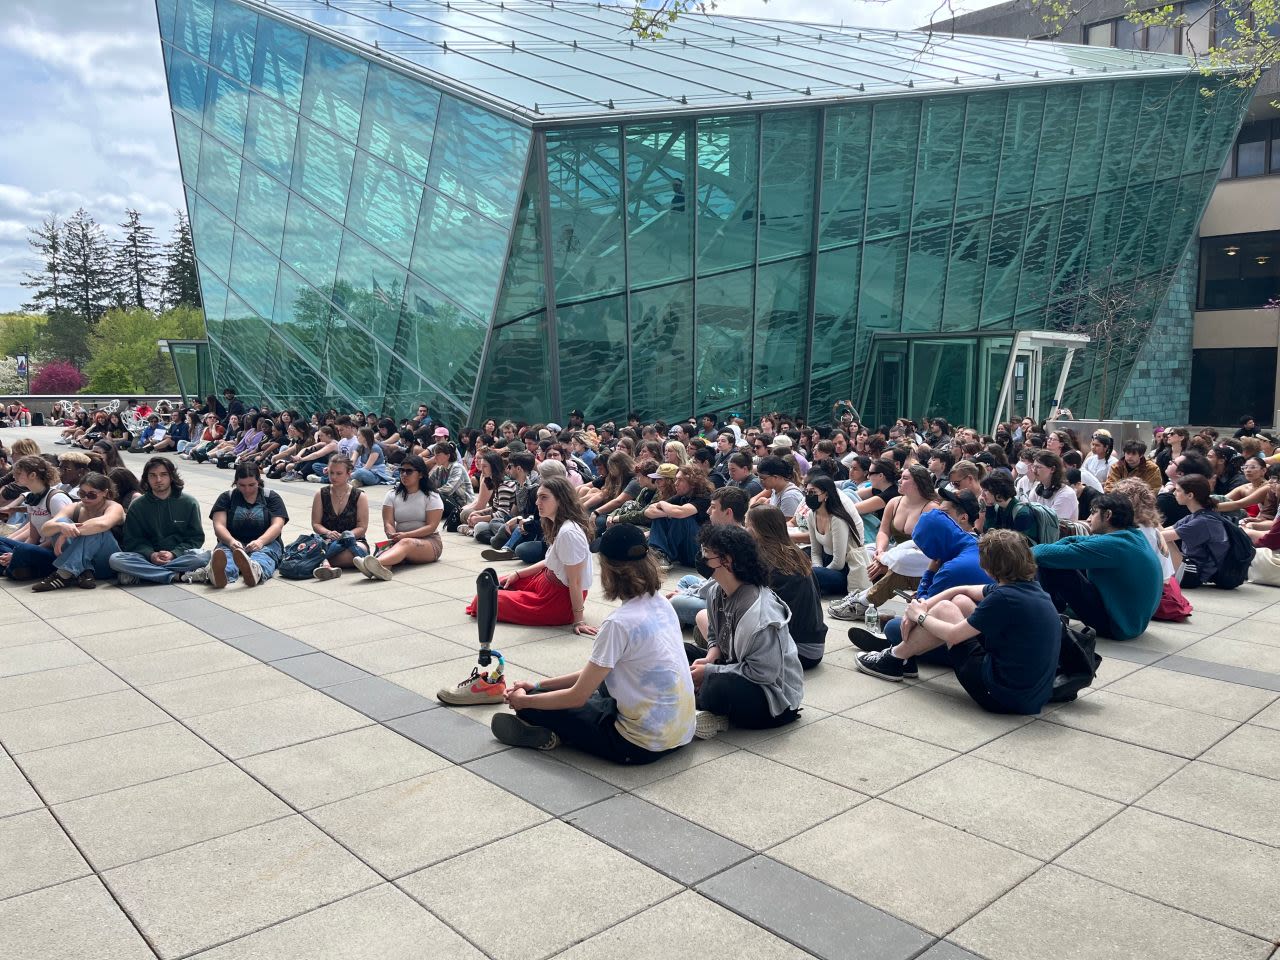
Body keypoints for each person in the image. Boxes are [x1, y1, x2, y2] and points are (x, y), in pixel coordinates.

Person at [490, 523, 697, 761]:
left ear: (608, 570)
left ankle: (555, 732)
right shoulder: (661, 603)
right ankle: (560, 729)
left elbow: (576, 696)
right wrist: (540, 685)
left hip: (639, 745)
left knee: (539, 708)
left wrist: (525, 700)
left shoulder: (619, 624)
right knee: (597, 690)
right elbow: (595, 672)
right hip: (681, 733)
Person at [855, 530, 1062, 715]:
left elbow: (953, 635)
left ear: (990, 566)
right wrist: (923, 606)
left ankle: (894, 658)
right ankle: (904, 658)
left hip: (1000, 696)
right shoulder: (1030, 589)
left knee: (946, 610)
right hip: (1030, 696)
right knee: (960, 601)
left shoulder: (1004, 598)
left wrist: (919, 616)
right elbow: (961, 590)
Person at [688, 523, 804, 738]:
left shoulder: (760, 611)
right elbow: (714, 633)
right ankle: (700, 704)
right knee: (684, 651)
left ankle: (699, 705)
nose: (701, 558)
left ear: (727, 560)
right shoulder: (716, 591)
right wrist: (712, 655)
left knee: (716, 686)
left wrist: (711, 671)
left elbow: (763, 673)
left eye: (706, 554)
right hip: (736, 666)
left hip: (773, 699)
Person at [466, 476, 593, 629]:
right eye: (538, 497)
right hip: (547, 580)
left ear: (561, 500)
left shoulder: (568, 533)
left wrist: (578, 620)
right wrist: (518, 574)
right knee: (499, 582)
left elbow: (576, 581)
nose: (537, 502)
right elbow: (549, 561)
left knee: (483, 600)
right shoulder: (559, 525)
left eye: (544, 498)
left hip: (557, 600)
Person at [1032, 492, 1162, 640]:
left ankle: (1047, 617)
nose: (1088, 518)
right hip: (1133, 622)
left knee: (1050, 562)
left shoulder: (1113, 545)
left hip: (1117, 627)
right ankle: (1054, 610)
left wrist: (1022, 553)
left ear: (1107, 515)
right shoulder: (1133, 536)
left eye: (1093, 513)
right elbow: (1075, 539)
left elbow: (1041, 553)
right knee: (1060, 556)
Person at [745, 505, 827, 669]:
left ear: (757, 529)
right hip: (814, 646)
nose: (744, 529)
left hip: (793, 650)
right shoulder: (794, 552)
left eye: (747, 525)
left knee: (702, 613)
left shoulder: (763, 559)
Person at [107, 457, 208, 585]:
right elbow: (132, 540)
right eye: (153, 476)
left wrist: (174, 554)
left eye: (163, 475)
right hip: (146, 557)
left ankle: (145, 574)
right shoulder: (137, 505)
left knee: (202, 556)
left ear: (171, 476)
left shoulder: (189, 502)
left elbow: (195, 538)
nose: (158, 480)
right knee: (115, 560)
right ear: (146, 478)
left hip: (179, 556)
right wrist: (151, 554)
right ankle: (178, 576)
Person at [187, 463, 288, 588]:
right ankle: (219, 574)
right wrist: (231, 541)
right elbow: (219, 525)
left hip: (267, 542)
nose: (247, 490)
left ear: (259, 481)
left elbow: (277, 525)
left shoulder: (271, 497)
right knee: (225, 557)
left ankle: (255, 571)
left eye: (252, 485)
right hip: (231, 542)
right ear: (236, 482)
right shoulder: (226, 498)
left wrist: (260, 541)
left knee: (264, 556)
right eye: (242, 485)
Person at [667, 486, 748, 627]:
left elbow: (719, 586)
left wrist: (684, 594)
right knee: (687, 579)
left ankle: (684, 616)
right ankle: (684, 617)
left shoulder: (733, 542)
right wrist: (687, 592)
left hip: (726, 602)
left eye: (713, 507)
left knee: (675, 601)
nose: (708, 511)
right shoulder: (731, 534)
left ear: (728, 512)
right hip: (713, 589)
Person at [31, 472, 127, 590]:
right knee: (61, 522)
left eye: (92, 495)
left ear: (105, 493)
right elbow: (46, 529)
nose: (85, 498)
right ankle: (84, 572)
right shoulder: (76, 507)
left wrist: (65, 535)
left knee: (95, 529)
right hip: (82, 567)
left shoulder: (113, 507)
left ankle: (63, 575)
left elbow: (103, 524)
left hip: (106, 562)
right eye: (81, 493)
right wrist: (61, 527)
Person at [355, 454, 443, 580]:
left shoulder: (431, 496)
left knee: (405, 543)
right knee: (397, 547)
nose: (404, 474)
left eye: (409, 471)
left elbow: (431, 527)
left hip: (429, 542)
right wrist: (391, 534)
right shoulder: (392, 495)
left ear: (420, 474)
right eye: (401, 470)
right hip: (399, 539)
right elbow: (388, 523)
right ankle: (377, 570)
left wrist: (405, 535)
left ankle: (372, 563)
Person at [0, 456, 75, 581]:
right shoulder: (31, 498)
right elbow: (33, 537)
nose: (14, 476)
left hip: (54, 551)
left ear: (33, 475)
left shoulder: (56, 498)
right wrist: (16, 553)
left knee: (21, 550)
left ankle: (13, 567)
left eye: (18, 473)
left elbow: (58, 539)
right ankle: (14, 567)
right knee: (11, 545)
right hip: (38, 548)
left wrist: (18, 553)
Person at [804, 473, 869, 596]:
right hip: (825, 562)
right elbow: (816, 550)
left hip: (844, 570)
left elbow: (838, 562)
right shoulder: (812, 515)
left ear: (826, 494)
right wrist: (818, 568)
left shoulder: (837, 519)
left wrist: (818, 572)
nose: (808, 496)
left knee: (808, 574)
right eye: (806, 492)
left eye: (813, 492)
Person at [1162, 475, 1229, 589]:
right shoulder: (1196, 516)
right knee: (1159, 533)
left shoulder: (1203, 521)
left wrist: (1147, 516)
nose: (1174, 493)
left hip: (1193, 575)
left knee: (1166, 540)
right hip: (1189, 568)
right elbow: (1163, 530)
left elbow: (1161, 536)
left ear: (1190, 495)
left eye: (1178, 490)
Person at [310, 455, 369, 580]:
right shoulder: (321, 494)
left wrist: (346, 536)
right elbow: (316, 524)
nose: (334, 477)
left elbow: (362, 527)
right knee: (352, 555)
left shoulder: (359, 496)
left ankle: (323, 561)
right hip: (327, 540)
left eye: (339, 473)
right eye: (331, 473)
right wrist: (328, 532)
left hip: (354, 540)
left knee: (352, 549)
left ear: (349, 474)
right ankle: (363, 563)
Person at [646, 465, 713, 570]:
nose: (675, 483)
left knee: (682, 517)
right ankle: (660, 553)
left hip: (698, 553)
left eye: (680, 480)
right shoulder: (682, 496)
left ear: (693, 483)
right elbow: (648, 511)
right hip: (683, 552)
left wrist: (663, 504)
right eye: (676, 479)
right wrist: (667, 513)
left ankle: (664, 554)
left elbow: (680, 513)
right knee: (660, 515)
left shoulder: (705, 497)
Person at [1026, 451, 1078, 521]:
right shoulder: (1037, 490)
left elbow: (1052, 524)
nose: (1034, 471)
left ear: (1052, 469)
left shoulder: (1066, 494)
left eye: (1038, 467)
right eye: (1034, 467)